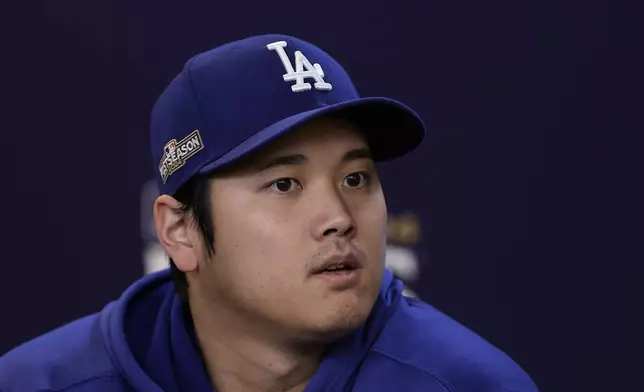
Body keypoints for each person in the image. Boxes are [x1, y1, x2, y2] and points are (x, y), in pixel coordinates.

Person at [0, 34, 539, 392]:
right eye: (284, 183)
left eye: (356, 178)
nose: (339, 217)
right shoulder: (38, 383)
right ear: (180, 231)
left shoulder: (466, 383)